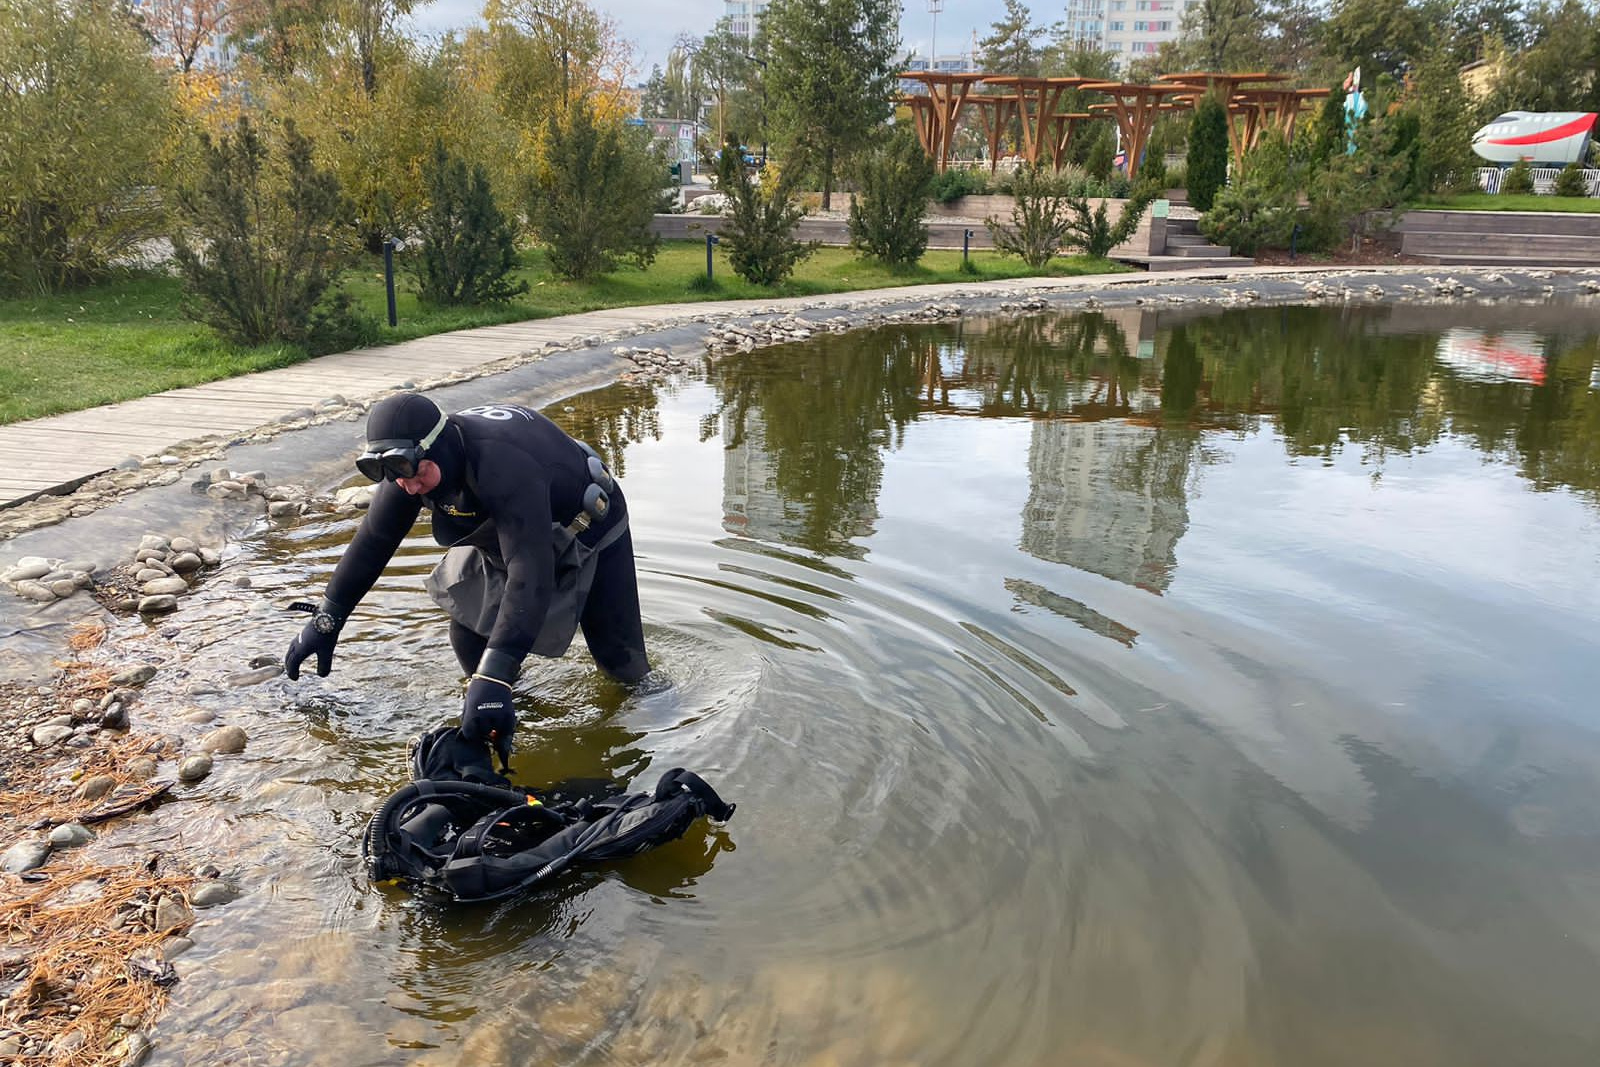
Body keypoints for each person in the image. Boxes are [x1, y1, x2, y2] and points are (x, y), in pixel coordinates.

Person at [284, 392, 649, 763]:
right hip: (504, 532)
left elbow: (529, 573)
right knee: (468, 630)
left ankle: (652, 727)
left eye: (415, 474)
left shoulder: (501, 463)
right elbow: (373, 542)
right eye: (397, 479)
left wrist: (496, 674)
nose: (409, 488)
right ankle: (511, 715)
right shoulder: (407, 472)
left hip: (587, 526)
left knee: (623, 668)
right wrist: (327, 620)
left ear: (438, 449)